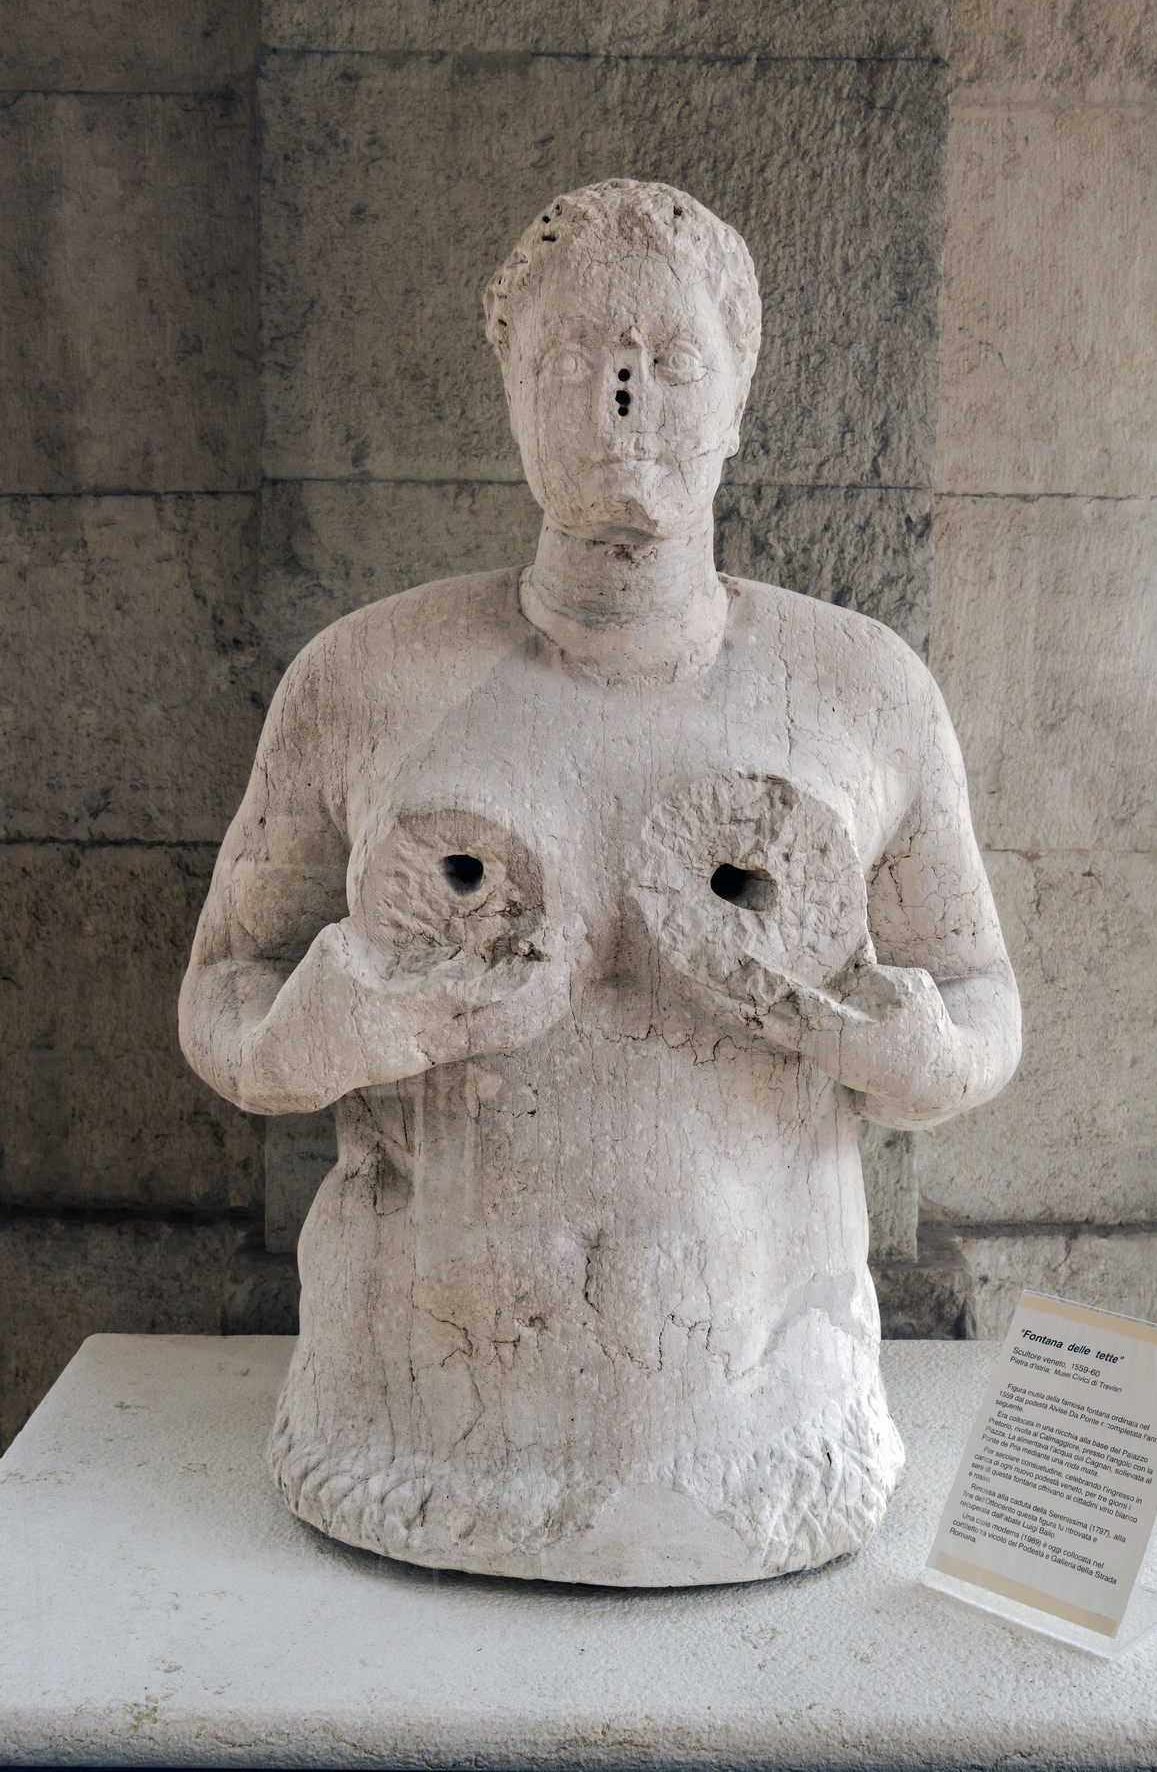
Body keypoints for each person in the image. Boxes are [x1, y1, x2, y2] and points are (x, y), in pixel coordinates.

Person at [180, 179, 1021, 1585]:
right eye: (575, 361)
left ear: (740, 398)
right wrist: (295, 1044)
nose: (624, 395)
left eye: (672, 361)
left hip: (764, 1430)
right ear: (510, 391)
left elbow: (986, 993)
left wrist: (924, 1057)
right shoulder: (365, 676)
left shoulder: (863, 689)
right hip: (417, 1423)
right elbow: (223, 982)